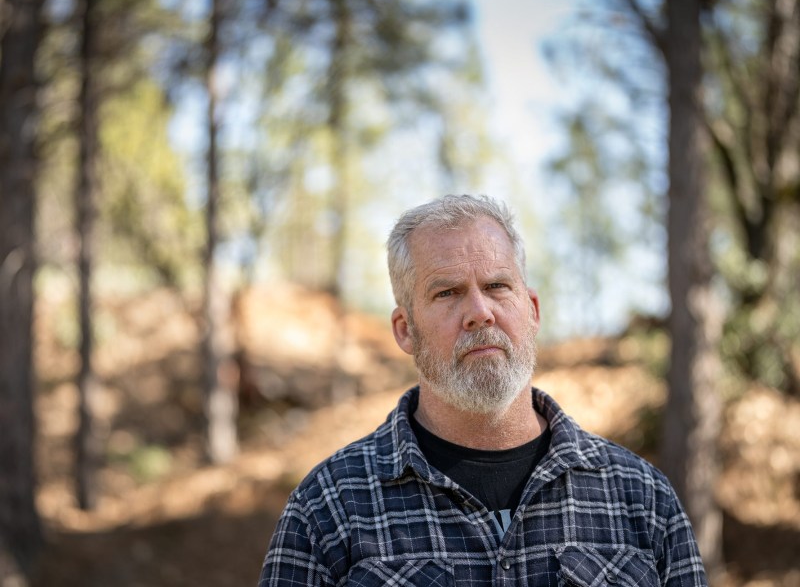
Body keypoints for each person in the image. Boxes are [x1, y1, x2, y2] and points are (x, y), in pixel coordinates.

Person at [258, 194, 707, 586]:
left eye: (496, 286)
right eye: (447, 293)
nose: (479, 312)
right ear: (404, 330)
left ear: (531, 310)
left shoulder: (642, 498)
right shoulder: (328, 508)